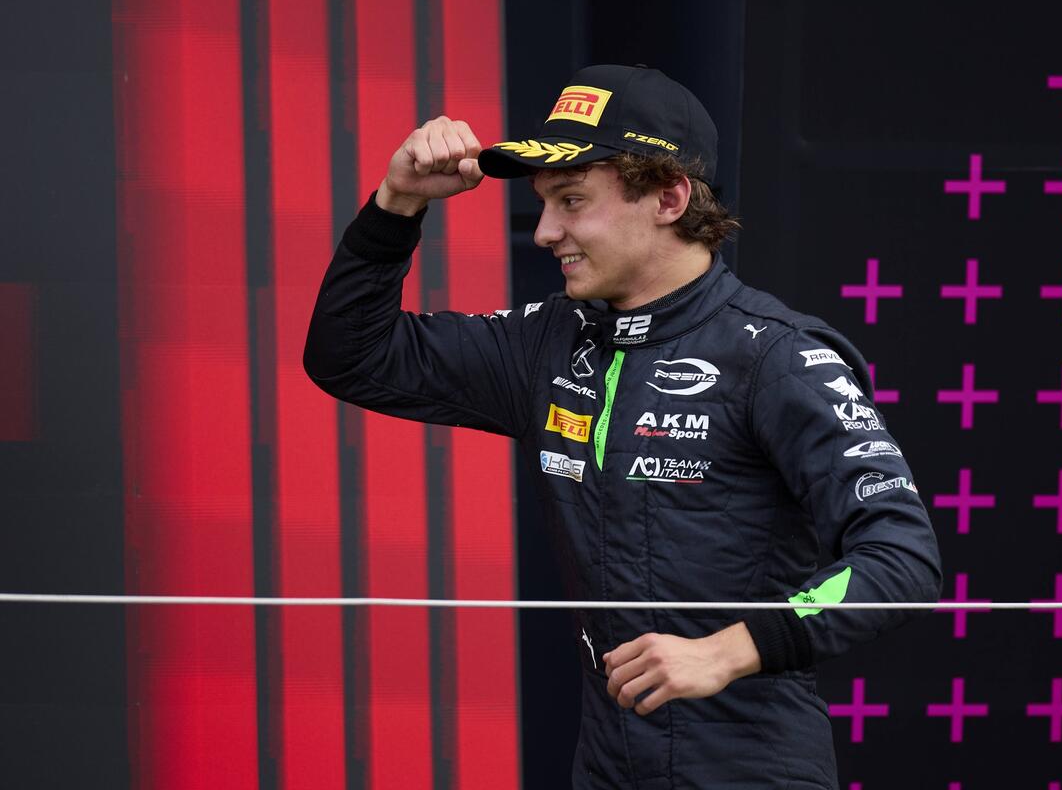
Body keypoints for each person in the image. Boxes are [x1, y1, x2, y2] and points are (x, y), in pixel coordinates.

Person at [305, 64, 941, 789]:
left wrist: (728, 649)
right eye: (544, 204)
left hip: (752, 768)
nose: (545, 232)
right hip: (609, 766)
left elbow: (901, 558)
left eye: (572, 200)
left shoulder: (777, 356)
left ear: (669, 197)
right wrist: (397, 205)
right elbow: (349, 357)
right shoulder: (546, 343)